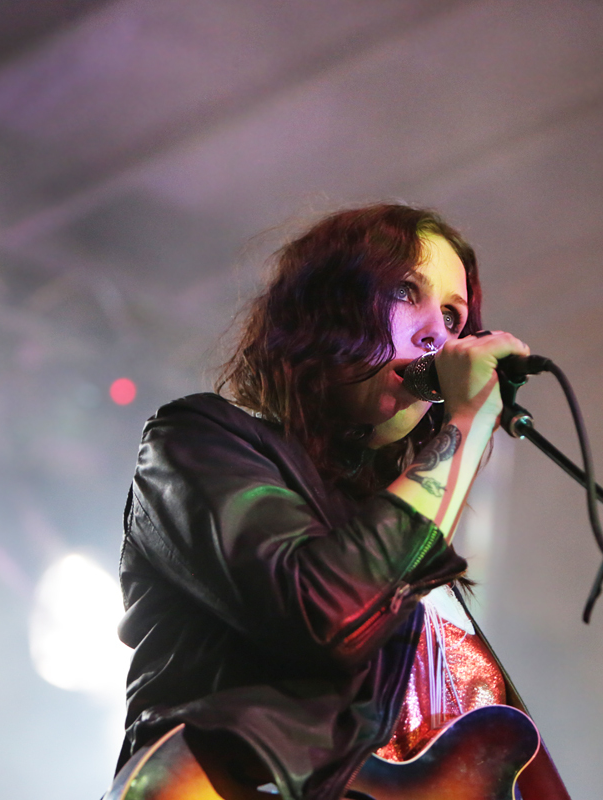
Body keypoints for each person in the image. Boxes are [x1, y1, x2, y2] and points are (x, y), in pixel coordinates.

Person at [111, 204, 570, 799]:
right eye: (408, 291)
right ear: (326, 307)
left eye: (455, 317)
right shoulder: (198, 440)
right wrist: (465, 422)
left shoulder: (414, 558)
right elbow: (323, 615)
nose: (439, 333)